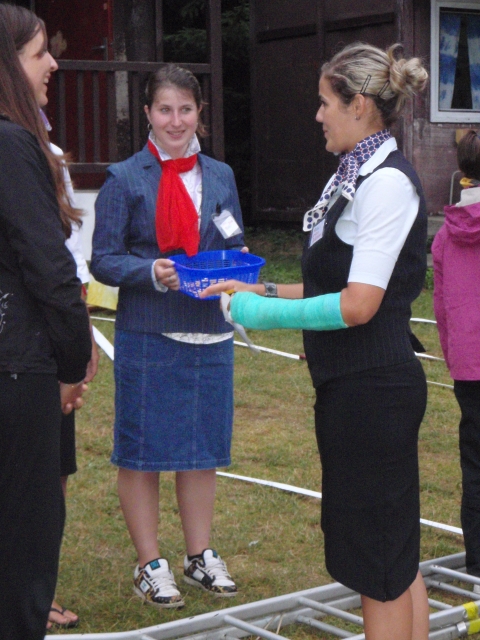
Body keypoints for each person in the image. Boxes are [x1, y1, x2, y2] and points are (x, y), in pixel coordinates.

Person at [202, 42, 430, 640]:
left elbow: (359, 305)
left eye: (326, 102)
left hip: (373, 393)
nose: (318, 114)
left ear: (359, 105)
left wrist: (257, 311)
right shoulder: (355, 174)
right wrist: (261, 288)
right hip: (356, 388)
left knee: (379, 564)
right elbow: (334, 284)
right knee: (392, 555)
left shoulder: (385, 184)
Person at [91, 63, 245, 608]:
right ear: (148, 115)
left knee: (202, 449)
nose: (175, 121)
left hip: (210, 331)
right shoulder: (124, 178)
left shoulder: (221, 175)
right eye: (164, 110)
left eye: (185, 109)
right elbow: (103, 260)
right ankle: (149, 562)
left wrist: (237, 263)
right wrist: (150, 271)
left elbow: (233, 237)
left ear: (200, 112)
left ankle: (199, 555)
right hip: (149, 331)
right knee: (142, 451)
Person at [0, 5, 92, 640]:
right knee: (24, 542)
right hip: (16, 365)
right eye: (39, 54)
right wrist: (72, 358)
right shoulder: (10, 144)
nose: (53, 63)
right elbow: (48, 267)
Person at [24, 50, 99, 629]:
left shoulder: (46, 152)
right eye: (37, 52)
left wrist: (80, 335)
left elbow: (69, 254)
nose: (53, 62)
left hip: (53, 334)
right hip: (20, 342)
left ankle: (36, 587)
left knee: (52, 469)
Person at [432, 130, 480, 589]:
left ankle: (478, 562)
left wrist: (454, 356)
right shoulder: (445, 236)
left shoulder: (446, 235)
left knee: (475, 465)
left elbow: (442, 309)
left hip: (468, 366)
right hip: (467, 363)